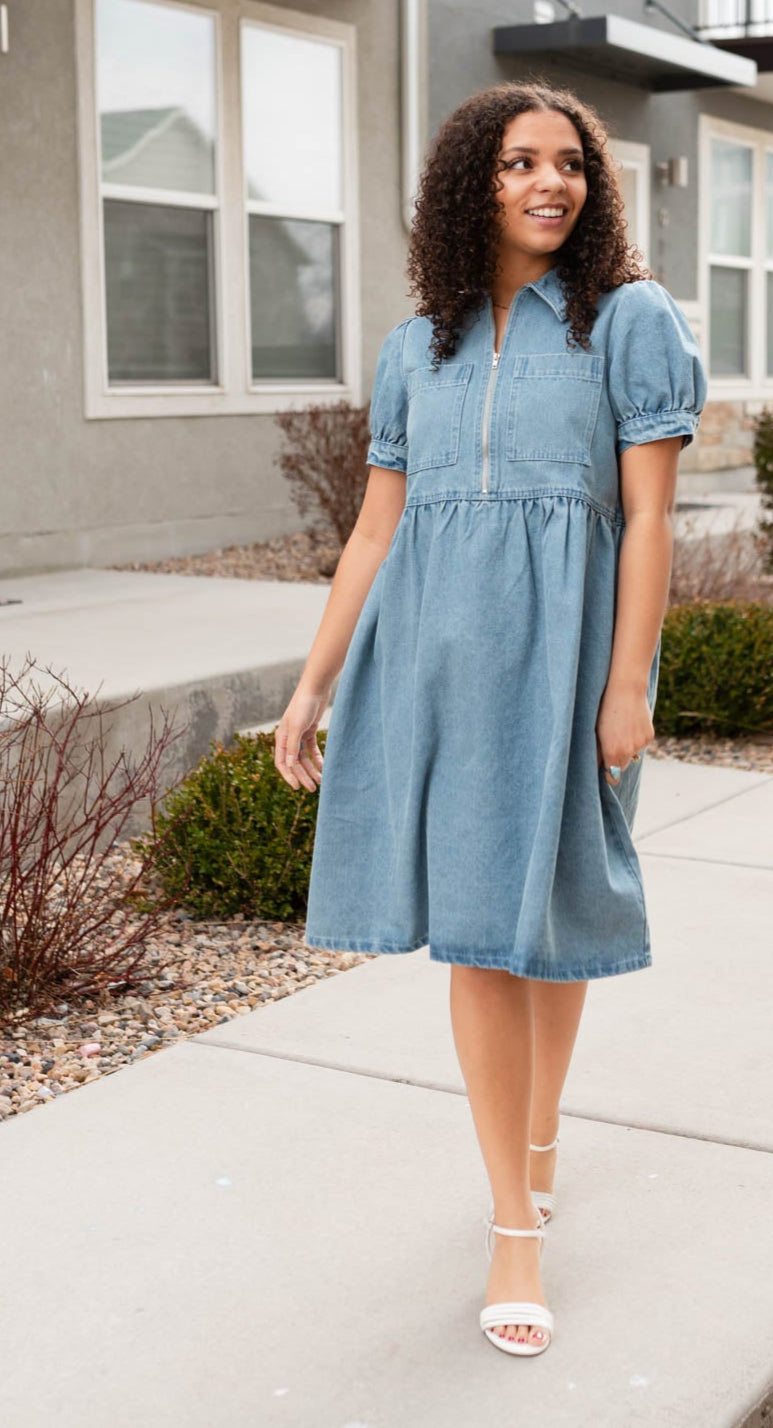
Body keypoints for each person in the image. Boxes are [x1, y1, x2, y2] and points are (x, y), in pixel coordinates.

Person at [274, 79, 707, 1358]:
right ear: (475, 185)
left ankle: (537, 1135)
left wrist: (627, 684)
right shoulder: (416, 349)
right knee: (478, 931)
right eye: (518, 163)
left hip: (571, 662)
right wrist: (312, 683)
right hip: (432, 667)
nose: (548, 184)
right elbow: (374, 528)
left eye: (567, 164)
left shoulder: (626, 322)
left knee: (553, 911)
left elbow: (649, 519)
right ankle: (513, 1221)